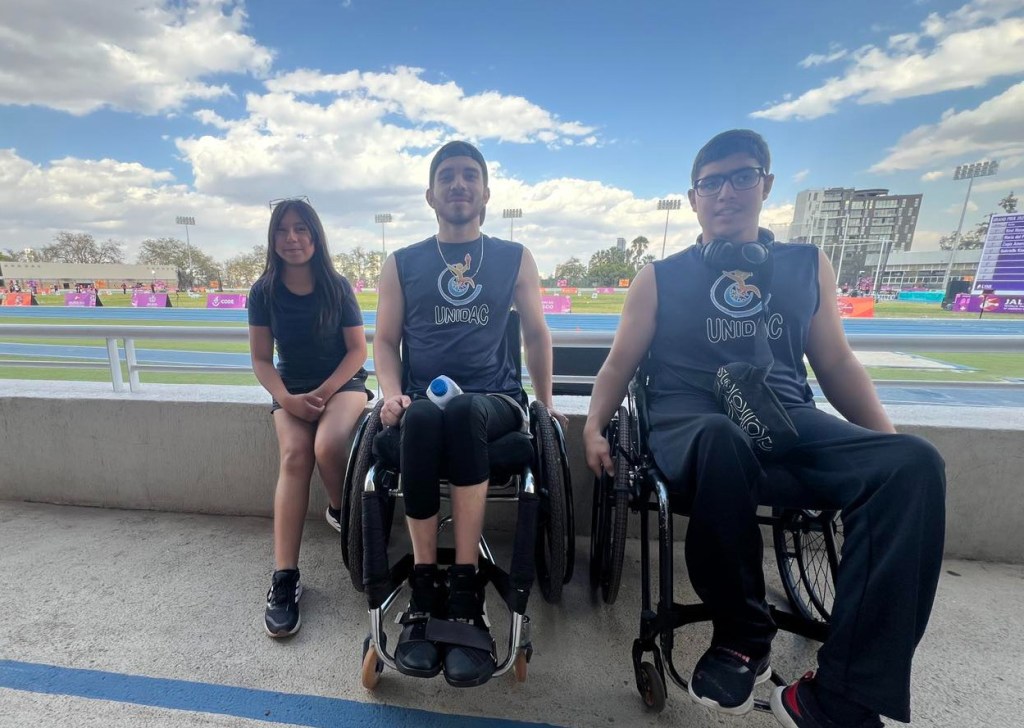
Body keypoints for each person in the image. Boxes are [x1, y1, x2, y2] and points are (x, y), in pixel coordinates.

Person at [583, 130, 945, 727]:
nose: (726, 192)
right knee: (722, 437)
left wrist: (885, 443)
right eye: (711, 183)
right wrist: (595, 427)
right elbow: (619, 364)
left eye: (742, 177)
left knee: (914, 464)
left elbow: (836, 364)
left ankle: (843, 696)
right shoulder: (659, 277)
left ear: (766, 184)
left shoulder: (807, 266)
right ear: (693, 198)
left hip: (786, 419)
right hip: (690, 422)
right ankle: (743, 634)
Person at [374, 140, 563, 688]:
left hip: (494, 400)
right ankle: (424, 585)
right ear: (430, 194)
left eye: (469, 175)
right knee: (425, 417)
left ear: (486, 192)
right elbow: (384, 341)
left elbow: (535, 334)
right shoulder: (401, 263)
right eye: (448, 176)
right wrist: (392, 394)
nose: (459, 184)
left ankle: (465, 586)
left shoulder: (514, 257)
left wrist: (546, 405)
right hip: (423, 403)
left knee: (463, 412)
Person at [248, 198, 371, 638]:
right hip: (292, 389)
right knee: (295, 456)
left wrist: (324, 391)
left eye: (301, 229)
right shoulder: (263, 291)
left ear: (316, 236)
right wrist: (287, 398)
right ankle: (285, 579)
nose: (292, 238)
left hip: (343, 384)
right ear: (272, 238)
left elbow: (358, 351)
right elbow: (261, 359)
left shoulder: (337, 286)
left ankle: (340, 511)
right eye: (283, 230)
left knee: (328, 444)